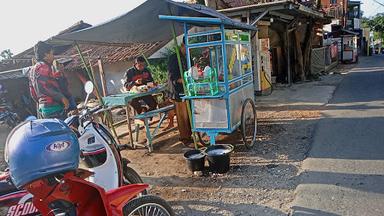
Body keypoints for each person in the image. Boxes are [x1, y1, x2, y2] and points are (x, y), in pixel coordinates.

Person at [29, 41, 69, 119]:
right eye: (51, 53)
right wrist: (62, 98)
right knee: (64, 130)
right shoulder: (43, 67)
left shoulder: (32, 70)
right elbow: (45, 87)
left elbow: (33, 92)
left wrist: (41, 103)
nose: (53, 56)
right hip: (53, 107)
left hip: (44, 109)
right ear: (45, 55)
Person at [167, 39, 193, 145]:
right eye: (187, 48)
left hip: (187, 89)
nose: (188, 51)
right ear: (182, 45)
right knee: (182, 116)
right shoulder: (174, 58)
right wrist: (183, 80)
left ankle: (190, 135)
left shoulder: (188, 58)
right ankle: (185, 139)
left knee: (189, 113)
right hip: (177, 91)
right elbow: (171, 76)